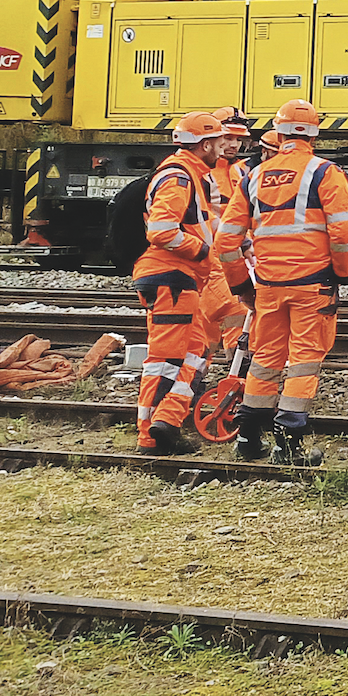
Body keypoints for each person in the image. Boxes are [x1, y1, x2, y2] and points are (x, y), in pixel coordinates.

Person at [216, 98, 348, 465]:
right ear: (315, 134)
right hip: (313, 283)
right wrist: (340, 273)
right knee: (305, 360)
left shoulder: (254, 176)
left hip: (268, 284)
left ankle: (247, 440)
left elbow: (226, 241)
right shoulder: (325, 173)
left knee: (264, 359)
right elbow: (344, 231)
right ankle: (287, 447)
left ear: (278, 134)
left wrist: (241, 287)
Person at [131, 112, 227, 455]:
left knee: (196, 354)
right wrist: (202, 251)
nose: (223, 147)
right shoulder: (179, 178)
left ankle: (166, 424)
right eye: (218, 142)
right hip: (171, 276)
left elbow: (206, 224)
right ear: (204, 145)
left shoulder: (193, 176)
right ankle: (151, 437)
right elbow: (161, 232)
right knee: (166, 360)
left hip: (179, 278)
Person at [190, 110, 254, 356]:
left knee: (209, 326)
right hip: (208, 258)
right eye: (228, 138)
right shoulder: (202, 173)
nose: (233, 145)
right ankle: (237, 371)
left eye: (238, 140)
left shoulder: (235, 171)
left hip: (224, 257)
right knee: (233, 311)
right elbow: (205, 219)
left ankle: (202, 377)